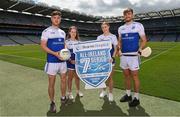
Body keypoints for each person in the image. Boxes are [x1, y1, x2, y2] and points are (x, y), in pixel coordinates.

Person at [118, 8, 147, 107]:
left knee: (134, 76)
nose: (127, 16)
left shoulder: (138, 26)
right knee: (126, 75)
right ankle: (128, 95)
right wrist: (119, 49)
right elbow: (120, 41)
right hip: (124, 56)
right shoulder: (120, 28)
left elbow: (144, 40)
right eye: (125, 14)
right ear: (124, 16)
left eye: (129, 14)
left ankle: (136, 98)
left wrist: (139, 49)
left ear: (132, 15)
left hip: (134, 56)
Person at [41, 11, 68, 113]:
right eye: (55, 17)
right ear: (51, 19)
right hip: (52, 62)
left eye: (58, 18)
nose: (56, 19)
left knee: (64, 80)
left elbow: (64, 45)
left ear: (60, 19)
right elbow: (43, 46)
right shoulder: (46, 31)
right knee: (51, 83)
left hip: (62, 62)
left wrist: (64, 54)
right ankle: (52, 103)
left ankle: (63, 97)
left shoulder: (62, 32)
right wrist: (55, 53)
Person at [97, 21, 118, 102]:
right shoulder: (99, 37)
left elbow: (116, 49)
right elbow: (97, 49)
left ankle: (110, 93)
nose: (104, 28)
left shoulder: (113, 37)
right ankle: (103, 91)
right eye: (102, 27)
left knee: (110, 77)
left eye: (105, 27)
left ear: (108, 27)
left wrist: (112, 57)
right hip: (102, 61)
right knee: (103, 77)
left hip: (110, 60)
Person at [65, 26, 83, 100]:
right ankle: (69, 92)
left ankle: (78, 91)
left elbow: (82, 53)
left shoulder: (79, 42)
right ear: (69, 32)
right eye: (72, 32)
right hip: (70, 62)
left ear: (76, 33)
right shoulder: (66, 42)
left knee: (77, 78)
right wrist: (70, 60)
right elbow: (65, 53)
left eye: (75, 32)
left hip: (78, 62)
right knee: (70, 78)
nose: (73, 33)